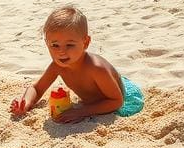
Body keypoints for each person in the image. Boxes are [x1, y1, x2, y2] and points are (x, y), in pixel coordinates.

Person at [9, 6, 143, 122]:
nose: (61, 52)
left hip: (118, 97)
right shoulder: (58, 65)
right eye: (55, 45)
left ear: (85, 42)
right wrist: (25, 102)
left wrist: (82, 111)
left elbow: (116, 101)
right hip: (98, 99)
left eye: (70, 45)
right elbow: (37, 88)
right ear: (47, 44)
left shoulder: (96, 69)